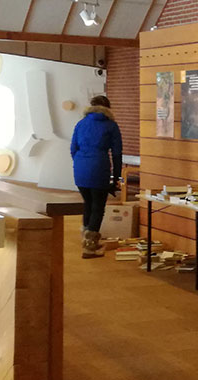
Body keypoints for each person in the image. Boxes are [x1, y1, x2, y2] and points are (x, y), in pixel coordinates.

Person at [70, 95, 122, 259]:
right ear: (108, 108)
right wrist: (116, 178)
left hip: (80, 168)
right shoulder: (111, 126)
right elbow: (117, 153)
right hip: (99, 168)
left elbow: (73, 148)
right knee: (98, 207)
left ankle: (86, 238)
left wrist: (80, 163)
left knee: (88, 204)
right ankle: (89, 247)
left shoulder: (80, 124)